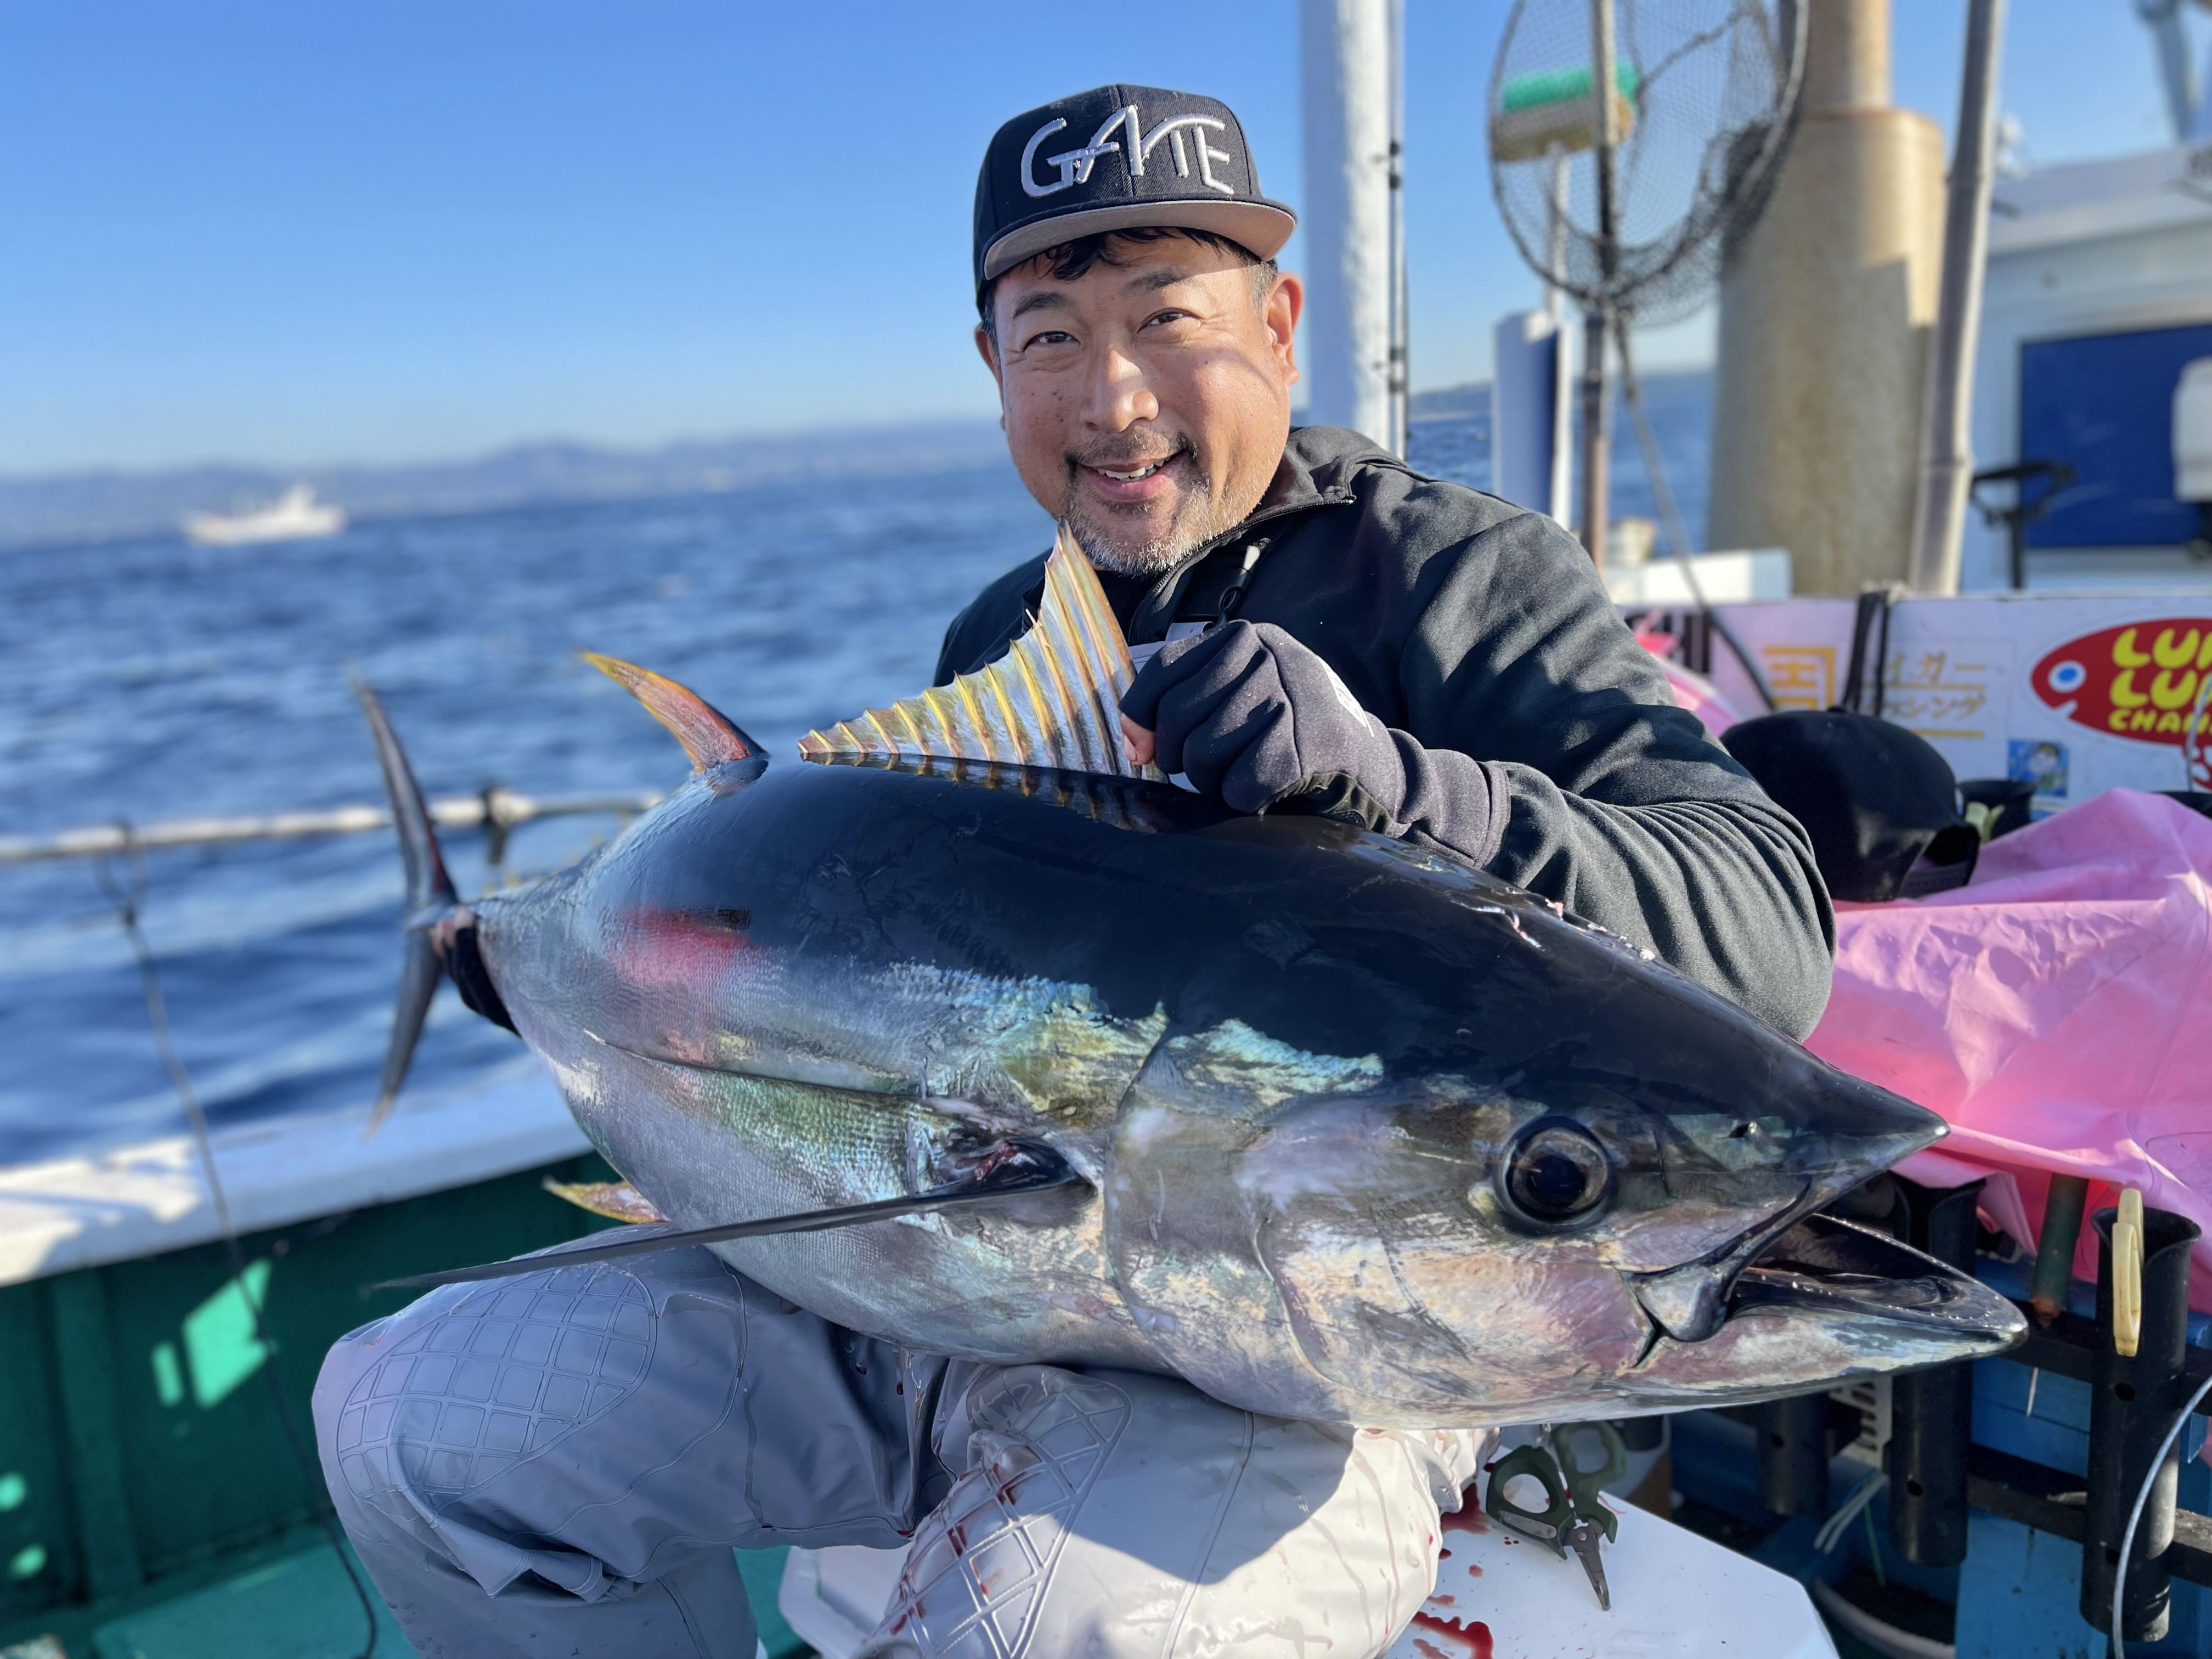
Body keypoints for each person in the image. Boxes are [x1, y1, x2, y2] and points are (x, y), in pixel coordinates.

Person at [314, 84, 1832, 1659]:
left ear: (1279, 327)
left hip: (1324, 1340)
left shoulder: (1455, 576)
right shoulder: (1004, 637)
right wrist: (569, 978)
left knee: (1060, 1623)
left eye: (1167, 319)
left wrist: (1403, 783)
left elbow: (1770, 931)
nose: (1113, 398)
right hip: (950, 1282)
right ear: (994, 370)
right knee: (413, 1422)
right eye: (1050, 338)